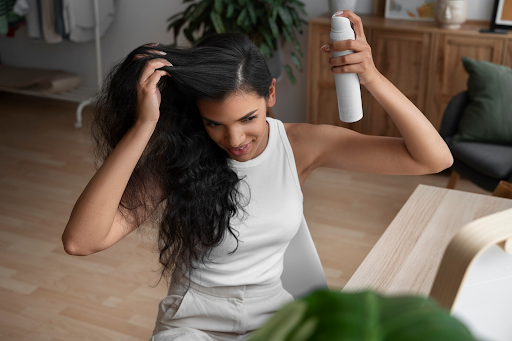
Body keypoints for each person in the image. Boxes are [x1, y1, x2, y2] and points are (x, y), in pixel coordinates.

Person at [61, 10, 453, 341]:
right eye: (214, 123)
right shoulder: (184, 156)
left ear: (271, 93)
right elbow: (81, 241)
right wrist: (144, 126)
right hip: (194, 322)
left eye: (249, 118)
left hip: (274, 318)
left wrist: (370, 77)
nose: (234, 139)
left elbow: (432, 159)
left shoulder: (301, 146)